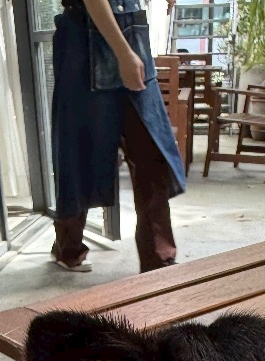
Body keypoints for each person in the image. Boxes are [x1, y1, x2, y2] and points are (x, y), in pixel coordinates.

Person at [51, 0, 186, 273]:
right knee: (79, 152)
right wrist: (123, 52)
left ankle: (158, 259)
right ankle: (68, 247)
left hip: (131, 32)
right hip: (85, 38)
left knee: (152, 151)